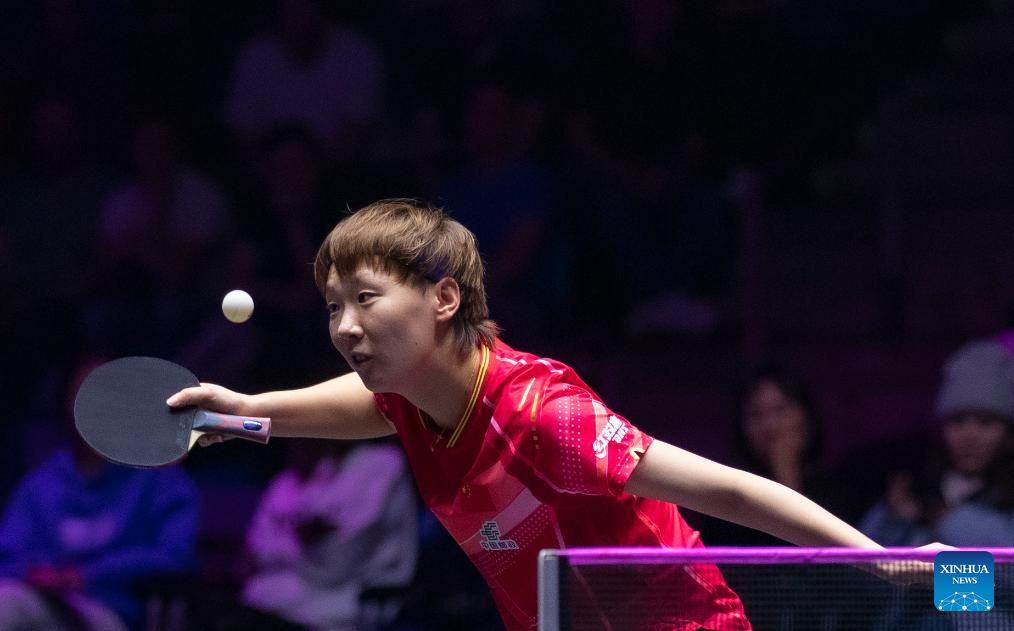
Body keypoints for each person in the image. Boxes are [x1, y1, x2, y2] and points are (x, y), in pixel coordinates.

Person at [168, 199, 921, 631]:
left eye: (365, 298)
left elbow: (729, 489)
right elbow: (369, 406)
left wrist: (879, 558)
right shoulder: (411, 395)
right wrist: (249, 410)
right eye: (333, 307)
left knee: (966, 590)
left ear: (444, 297)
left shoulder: (544, 417)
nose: (345, 327)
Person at [0, 359, 199, 631]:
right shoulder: (40, 483)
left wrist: (86, 575)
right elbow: (8, 554)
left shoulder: (162, 480)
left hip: (114, 612)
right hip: (39, 603)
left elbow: (176, 557)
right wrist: (36, 574)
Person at [233, 438, 417, 631]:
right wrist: (305, 540)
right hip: (274, 595)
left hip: (350, 598)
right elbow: (253, 553)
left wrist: (298, 543)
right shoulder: (298, 477)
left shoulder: (382, 463)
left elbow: (341, 555)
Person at [861, 339, 1014, 547]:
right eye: (957, 421)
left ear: (1009, 434)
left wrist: (946, 518)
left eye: (985, 422)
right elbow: (858, 558)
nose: (969, 435)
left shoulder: (1006, 499)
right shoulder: (915, 488)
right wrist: (894, 520)